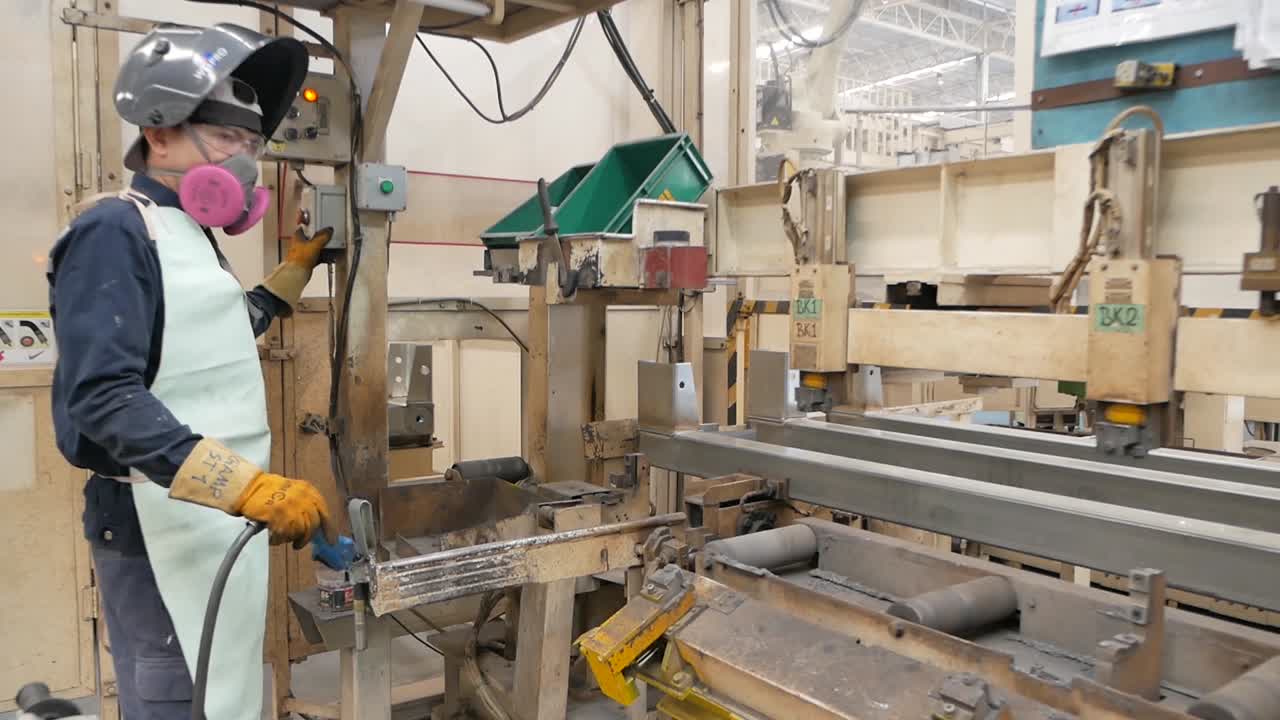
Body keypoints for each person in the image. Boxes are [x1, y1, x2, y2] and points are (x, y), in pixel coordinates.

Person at [48, 23, 335, 720]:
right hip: (152, 517)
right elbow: (104, 399)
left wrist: (287, 280)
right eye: (229, 139)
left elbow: (207, 342)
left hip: (210, 512)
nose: (245, 162)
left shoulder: (187, 234)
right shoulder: (115, 230)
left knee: (222, 684)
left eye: (251, 145)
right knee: (178, 694)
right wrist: (246, 485)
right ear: (161, 134)